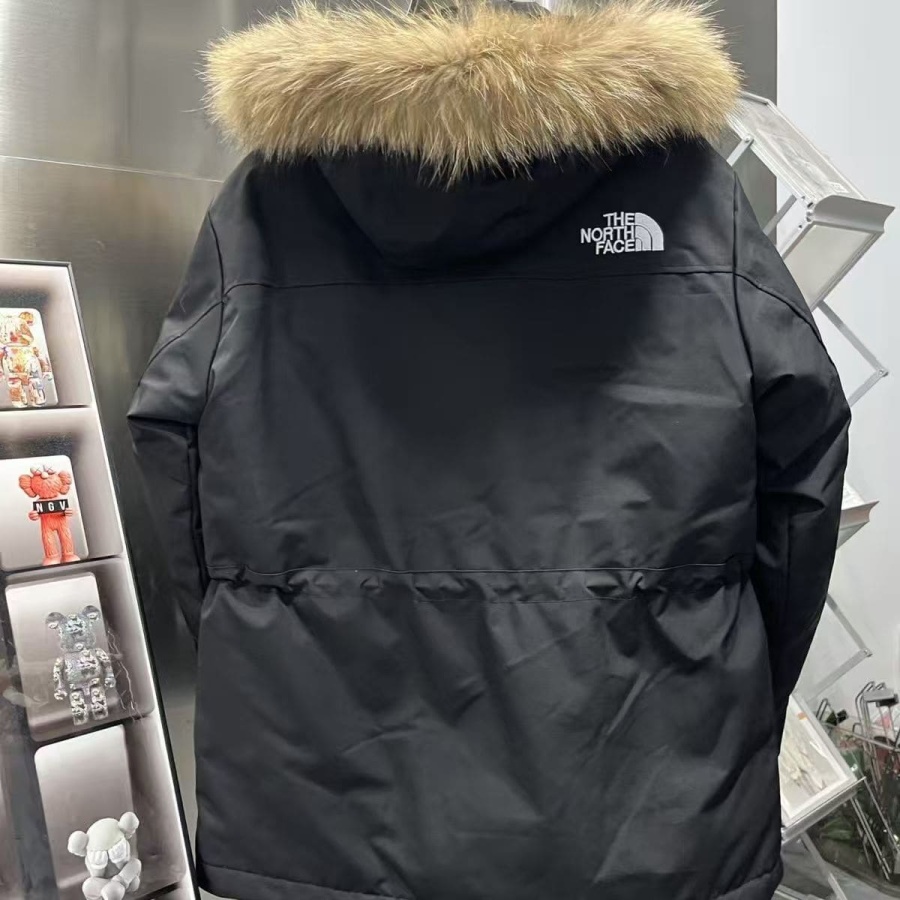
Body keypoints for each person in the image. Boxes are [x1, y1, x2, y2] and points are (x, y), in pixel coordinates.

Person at [129, 3, 850, 899]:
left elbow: (174, 454)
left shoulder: (263, 206)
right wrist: (726, 681)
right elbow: (802, 467)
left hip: (319, 814)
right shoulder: (691, 196)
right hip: (647, 804)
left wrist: (263, 633)